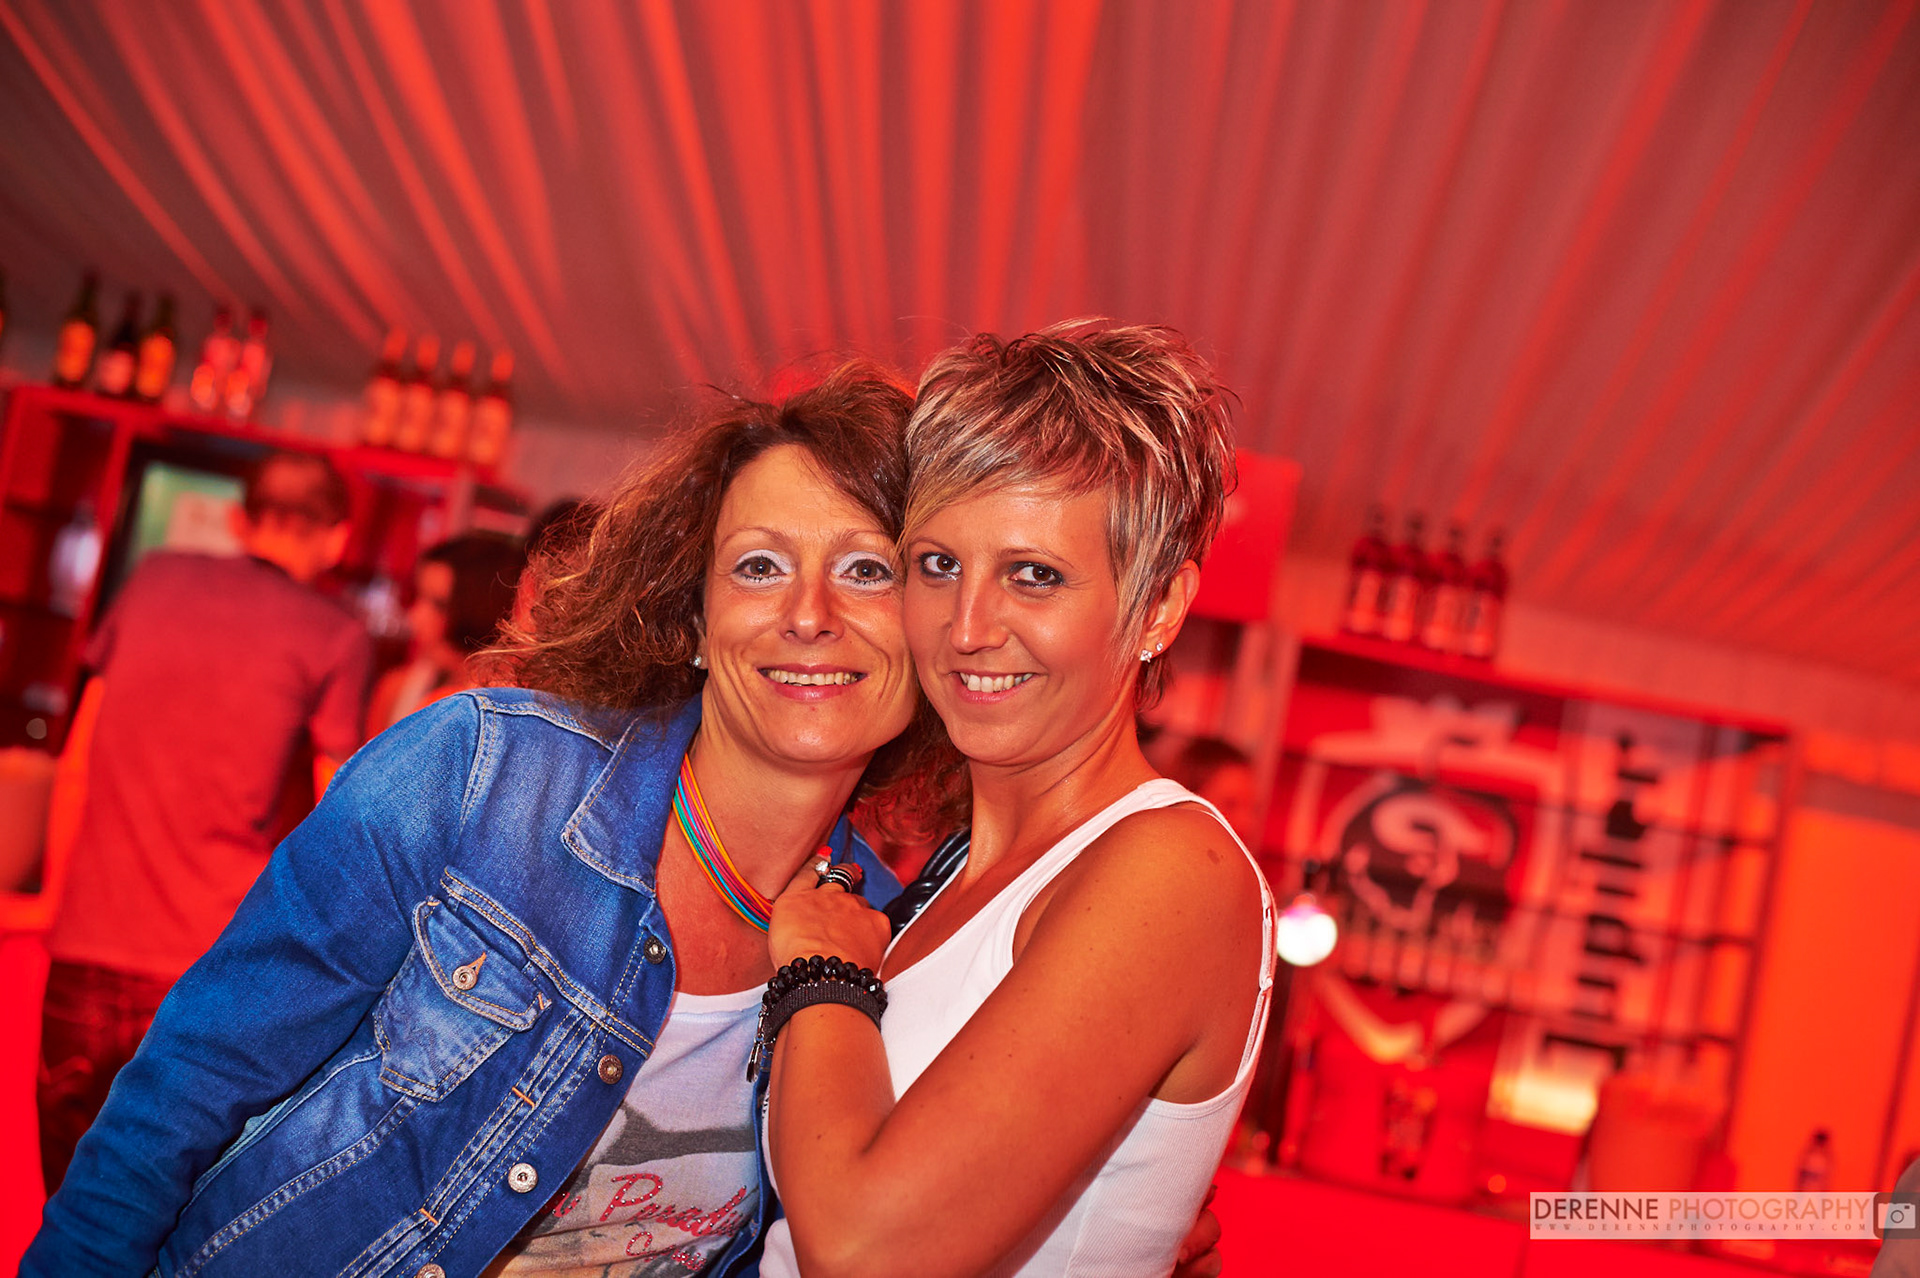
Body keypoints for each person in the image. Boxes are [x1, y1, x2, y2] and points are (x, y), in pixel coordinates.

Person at [23, 365, 930, 1277]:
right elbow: (186, 1089)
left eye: (868, 571)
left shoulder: (902, 946)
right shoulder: (478, 772)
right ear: (694, 618)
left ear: (933, 627)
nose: (810, 614)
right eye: (760, 566)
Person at [758, 321, 1275, 1277]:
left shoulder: (1174, 872)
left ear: (1159, 607)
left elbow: (869, 1252)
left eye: (1034, 575)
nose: (967, 627)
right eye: (938, 565)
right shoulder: (953, 873)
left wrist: (823, 970)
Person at [35, 448, 372, 1194]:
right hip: (210, 969)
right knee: (171, 1217)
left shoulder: (153, 579)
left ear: (238, 518)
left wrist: (62, 904)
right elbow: (341, 817)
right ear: (338, 538)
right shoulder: (335, 635)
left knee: (70, 1210)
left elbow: (77, 762)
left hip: (84, 950)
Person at [368, 531, 528, 732]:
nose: (415, 616)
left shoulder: (508, 713)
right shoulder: (396, 690)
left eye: (440, 605)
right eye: (416, 595)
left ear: (482, 611)